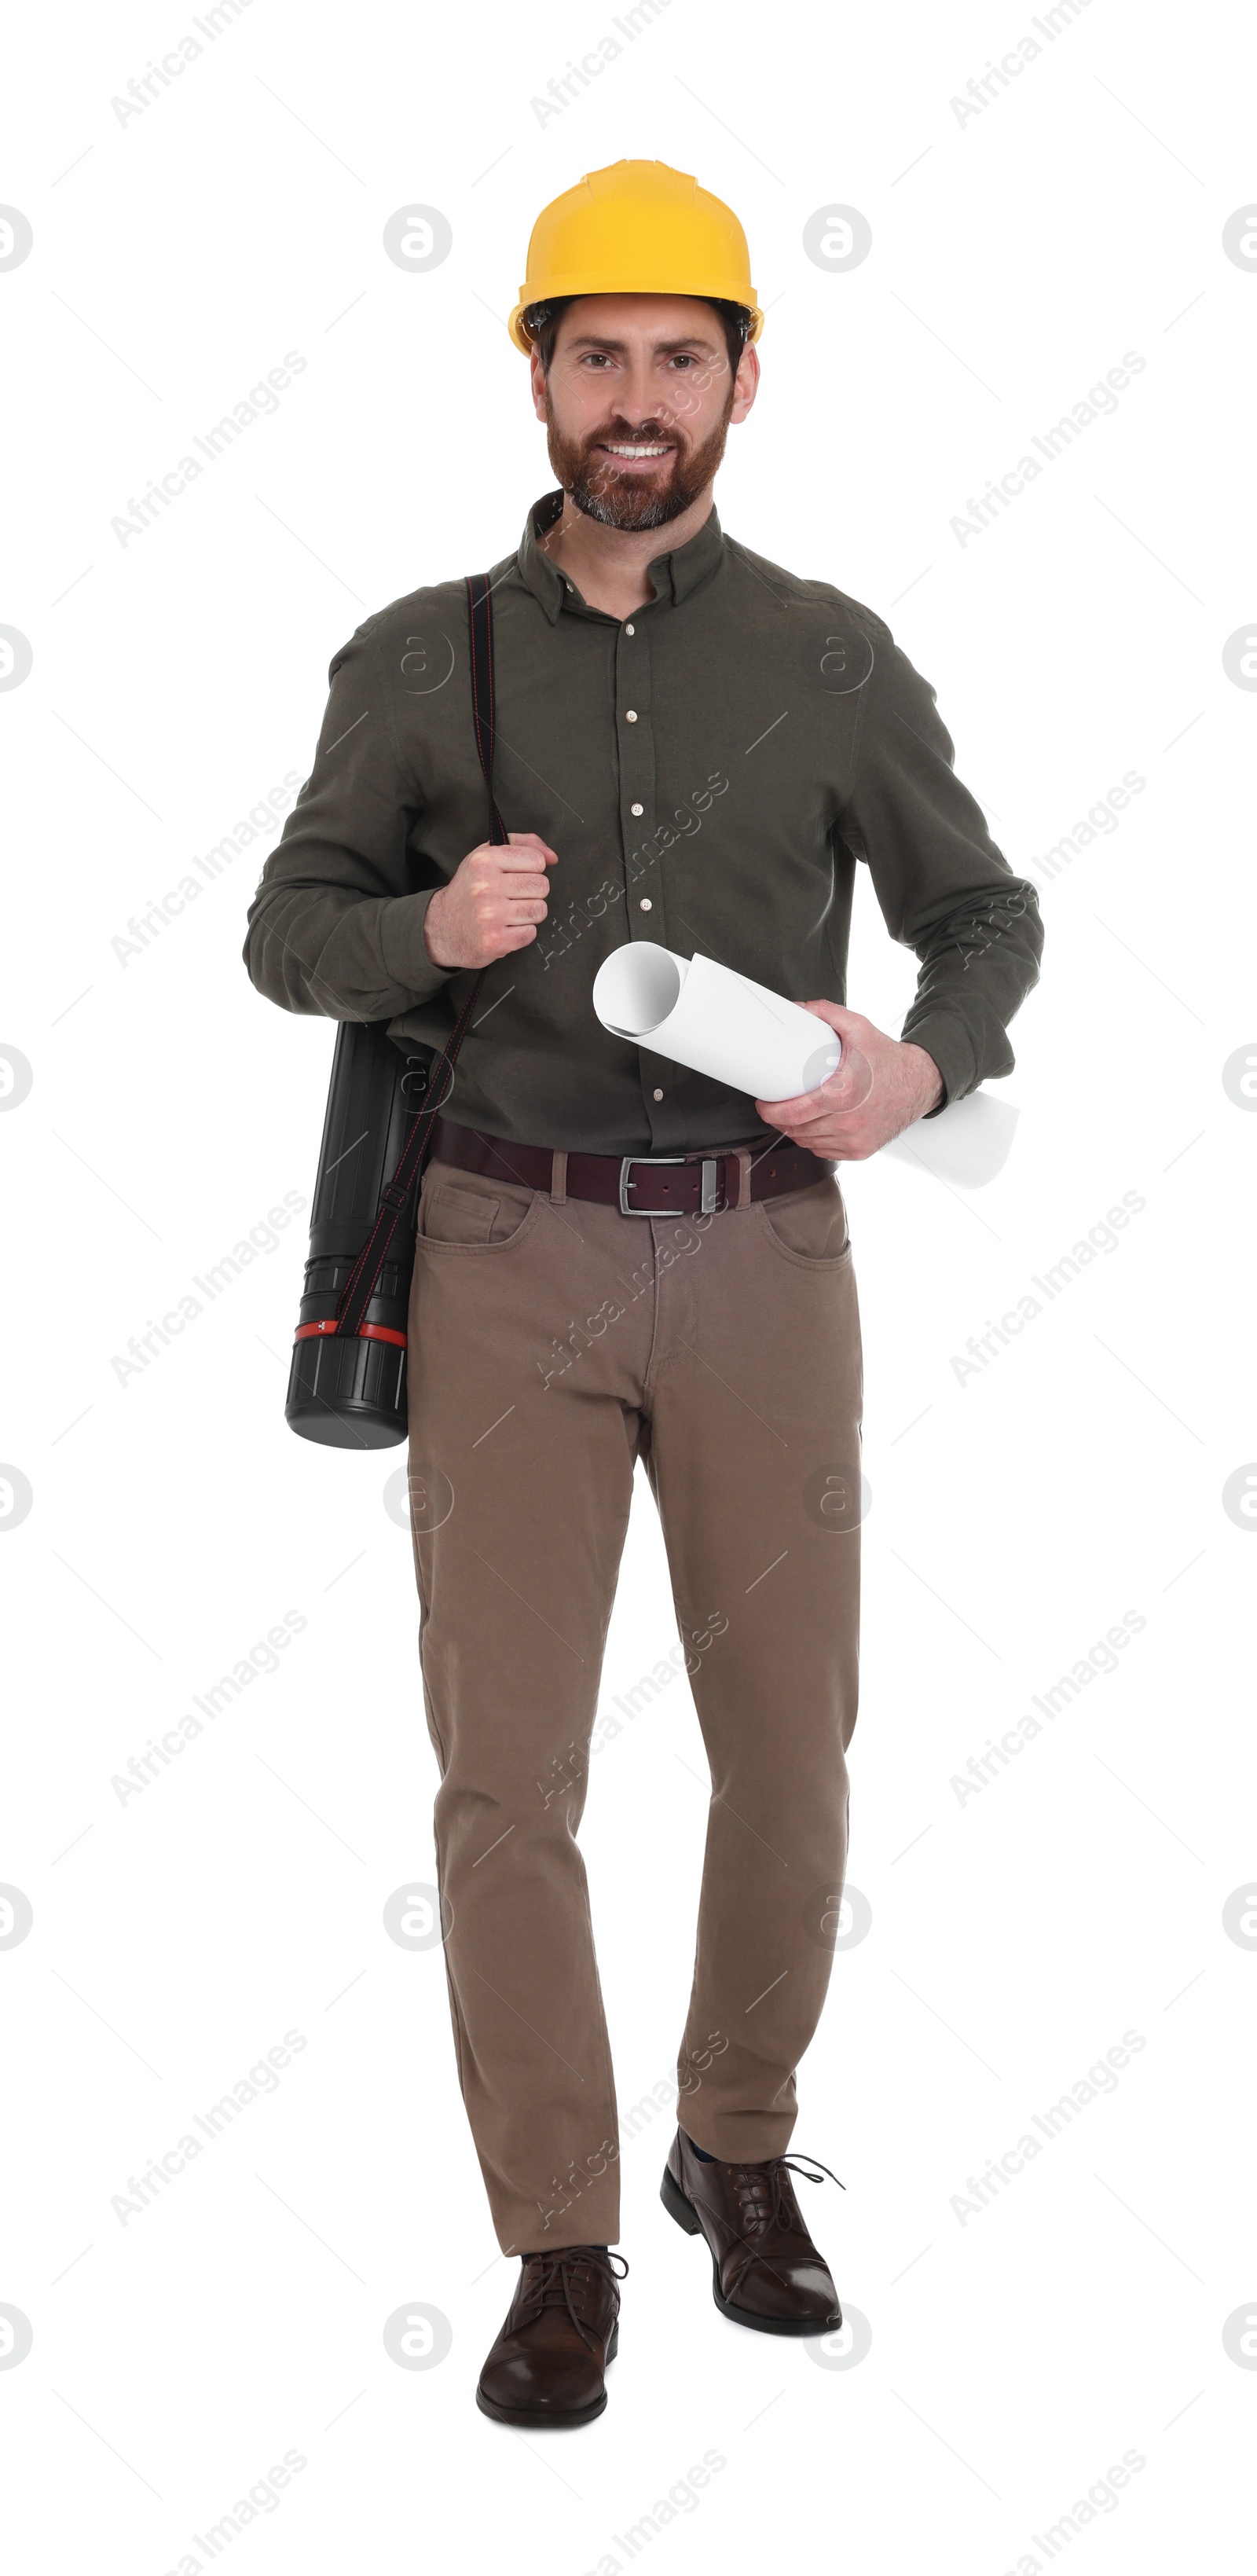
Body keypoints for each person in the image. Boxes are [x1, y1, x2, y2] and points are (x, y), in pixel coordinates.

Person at [244, 158, 1043, 2428]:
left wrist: (920, 1061)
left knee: (790, 1748)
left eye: (680, 357)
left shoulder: (826, 656)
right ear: (534, 373)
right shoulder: (419, 657)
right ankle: (560, 2237)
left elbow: (985, 915)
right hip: (499, 1252)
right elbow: (287, 929)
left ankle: (742, 2151)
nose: (637, 397)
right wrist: (431, 939)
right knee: (509, 1783)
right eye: (597, 352)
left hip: (768, 1256)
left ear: (745, 382)